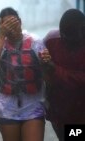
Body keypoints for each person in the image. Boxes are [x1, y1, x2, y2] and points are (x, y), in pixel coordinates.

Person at [0, 7, 45, 141]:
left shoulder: (35, 42)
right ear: (1, 25)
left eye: (14, 23)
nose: (11, 28)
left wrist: (48, 62)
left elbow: (48, 71)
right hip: (7, 108)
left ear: (20, 22)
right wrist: (1, 35)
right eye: (7, 24)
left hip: (33, 107)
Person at [42, 9, 85, 141]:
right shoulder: (51, 40)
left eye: (74, 41)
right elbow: (43, 69)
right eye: (65, 39)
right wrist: (43, 62)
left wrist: (54, 68)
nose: (69, 44)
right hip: (59, 108)